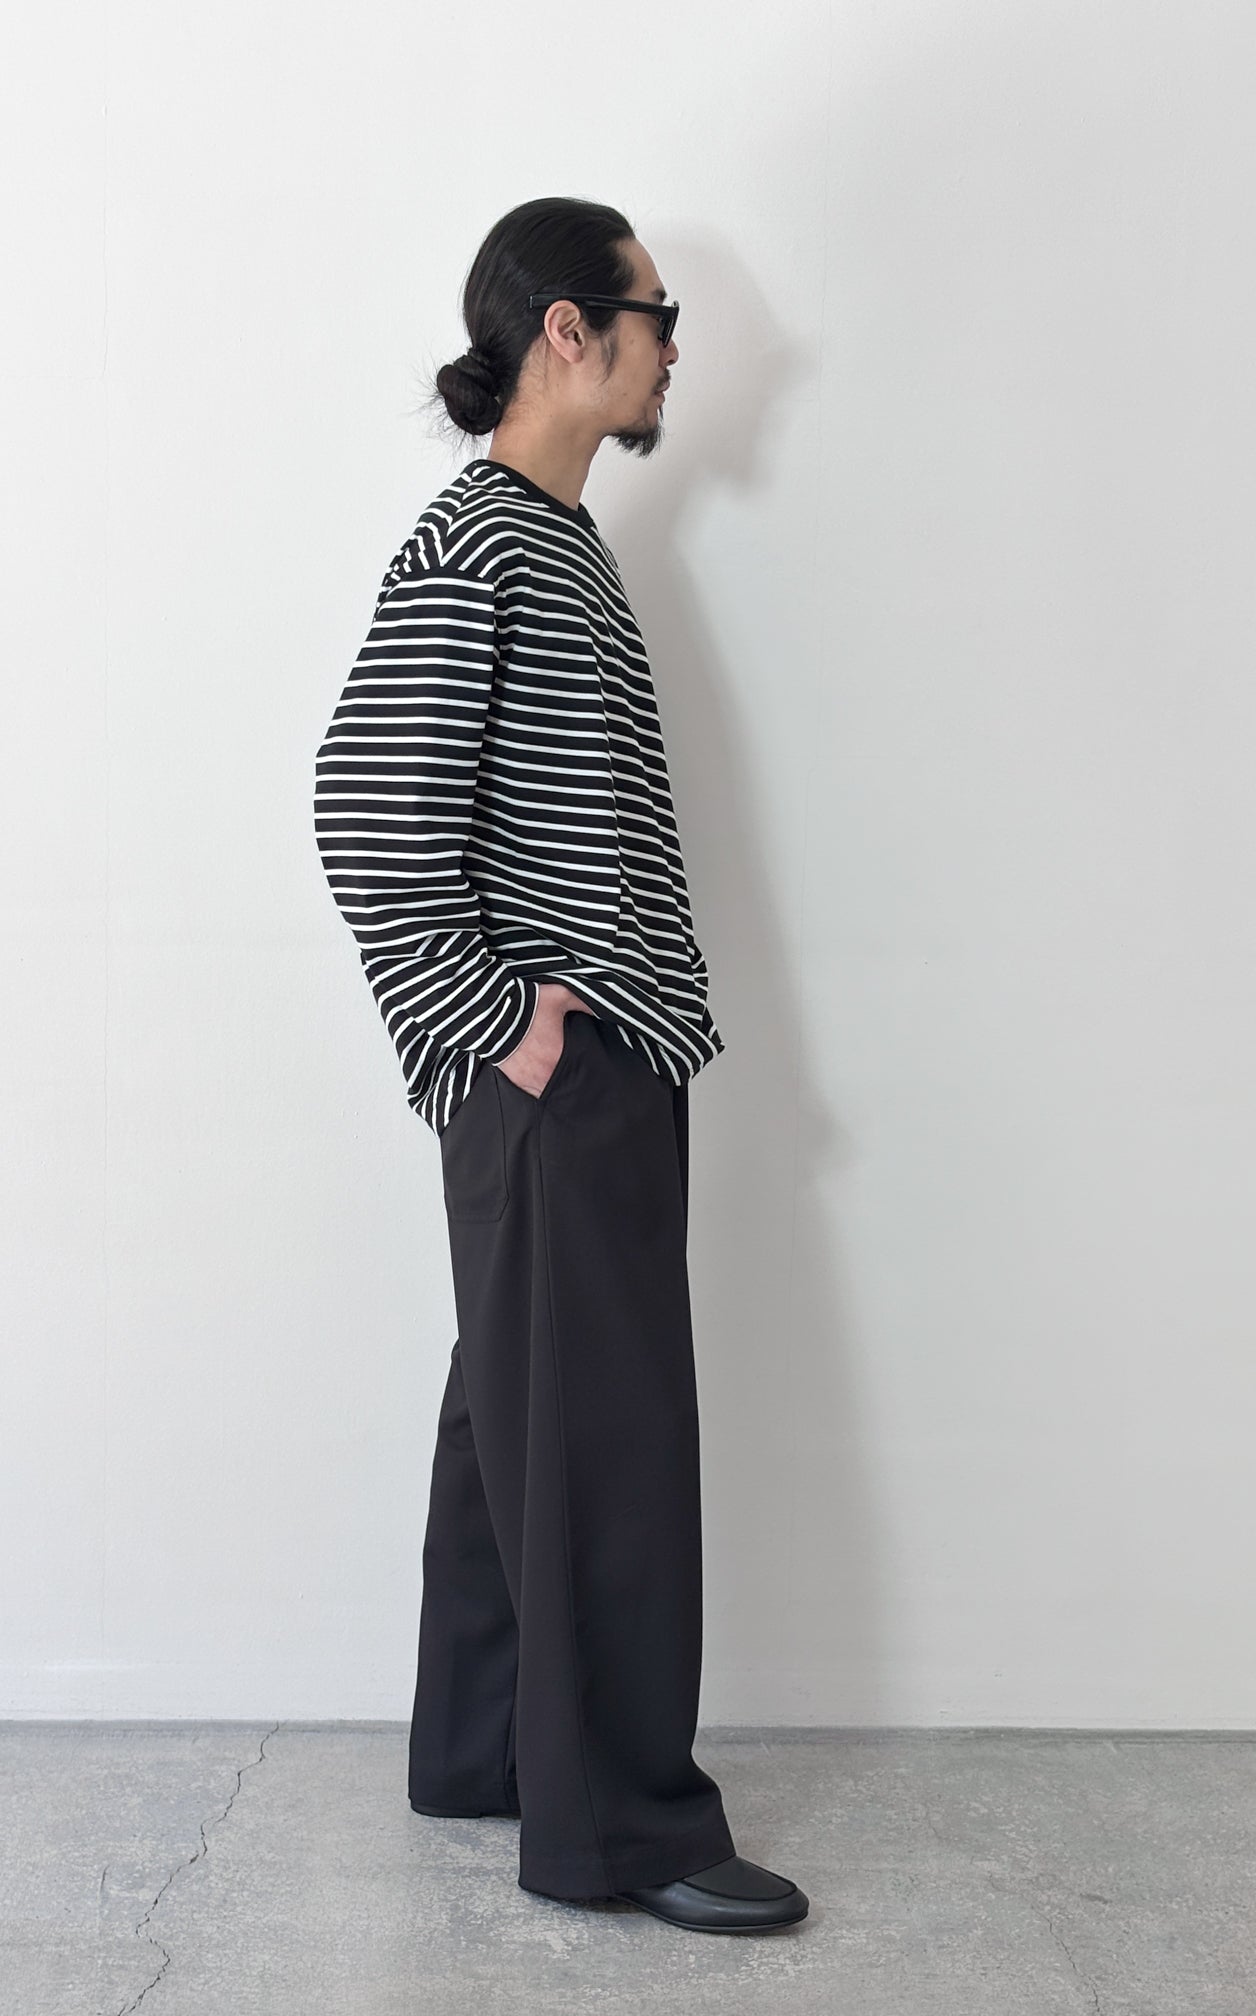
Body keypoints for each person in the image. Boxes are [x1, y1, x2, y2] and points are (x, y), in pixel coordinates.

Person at [313, 196, 809, 1935]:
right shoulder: (483, 544)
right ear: (567, 333)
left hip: (589, 1066)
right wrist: (502, 1023)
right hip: (557, 1073)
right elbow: (363, 803)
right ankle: (627, 1833)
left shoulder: (553, 537)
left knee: (518, 1421)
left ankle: (481, 1752)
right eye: (657, 314)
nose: (678, 348)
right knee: (601, 1447)